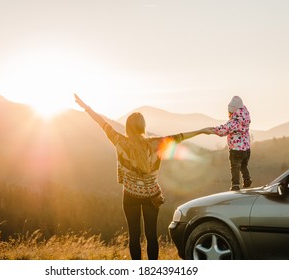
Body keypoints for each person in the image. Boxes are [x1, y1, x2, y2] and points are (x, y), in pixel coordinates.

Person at [74, 94, 208, 260]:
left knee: (134, 236)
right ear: (143, 126)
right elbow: (180, 136)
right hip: (152, 196)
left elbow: (102, 123)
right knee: (151, 236)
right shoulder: (156, 144)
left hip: (130, 195)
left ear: (128, 127)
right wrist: (202, 131)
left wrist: (85, 107)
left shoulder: (120, 141)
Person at [205, 96, 252, 191]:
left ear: (232, 111)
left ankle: (235, 185)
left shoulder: (234, 122)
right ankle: (247, 179)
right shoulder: (245, 120)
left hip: (236, 150)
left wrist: (213, 130)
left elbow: (223, 130)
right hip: (246, 150)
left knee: (235, 167)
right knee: (243, 166)